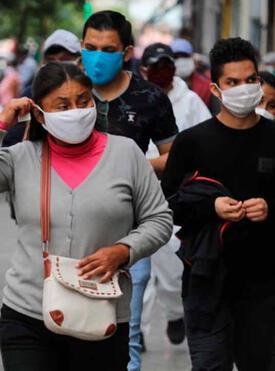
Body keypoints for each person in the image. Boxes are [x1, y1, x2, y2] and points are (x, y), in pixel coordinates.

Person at [0, 62, 172, 371]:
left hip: (101, 311)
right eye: (62, 106)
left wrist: (123, 251)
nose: (76, 111)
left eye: (83, 101)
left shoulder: (126, 153)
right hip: (28, 313)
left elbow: (159, 219)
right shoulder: (20, 158)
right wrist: (2, 122)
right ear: (40, 115)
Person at [162, 37, 275, 371]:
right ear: (216, 90)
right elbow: (169, 204)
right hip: (206, 278)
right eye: (232, 82)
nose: (243, 89)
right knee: (209, 365)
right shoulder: (192, 142)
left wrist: (271, 209)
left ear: (259, 82)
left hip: (265, 280)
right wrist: (210, 209)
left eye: (250, 80)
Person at [80, 10, 179, 371]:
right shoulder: (66, 89)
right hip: (67, 229)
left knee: (125, 334)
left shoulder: (148, 97)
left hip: (129, 230)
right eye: (90, 47)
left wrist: (128, 167)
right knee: (66, 329)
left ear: (125, 53)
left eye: (107, 49)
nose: (96, 56)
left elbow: (173, 157)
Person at [138, 42, 212, 345]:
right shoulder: (134, 99)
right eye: (155, 67)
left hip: (175, 197)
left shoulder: (190, 101)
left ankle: (174, 313)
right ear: (144, 70)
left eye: (167, 66)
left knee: (169, 270)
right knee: (137, 272)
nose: (162, 73)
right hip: (136, 193)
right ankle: (136, 333)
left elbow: (208, 141)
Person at [2, 29, 82, 148]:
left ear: (80, 62)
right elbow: (12, 144)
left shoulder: (91, 93)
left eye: (64, 60)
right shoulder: (31, 95)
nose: (57, 66)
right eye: (50, 61)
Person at [170, 38, 214, 110]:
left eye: (184, 56)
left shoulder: (207, 85)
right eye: (176, 57)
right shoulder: (165, 86)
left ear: (192, 57)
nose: (181, 60)